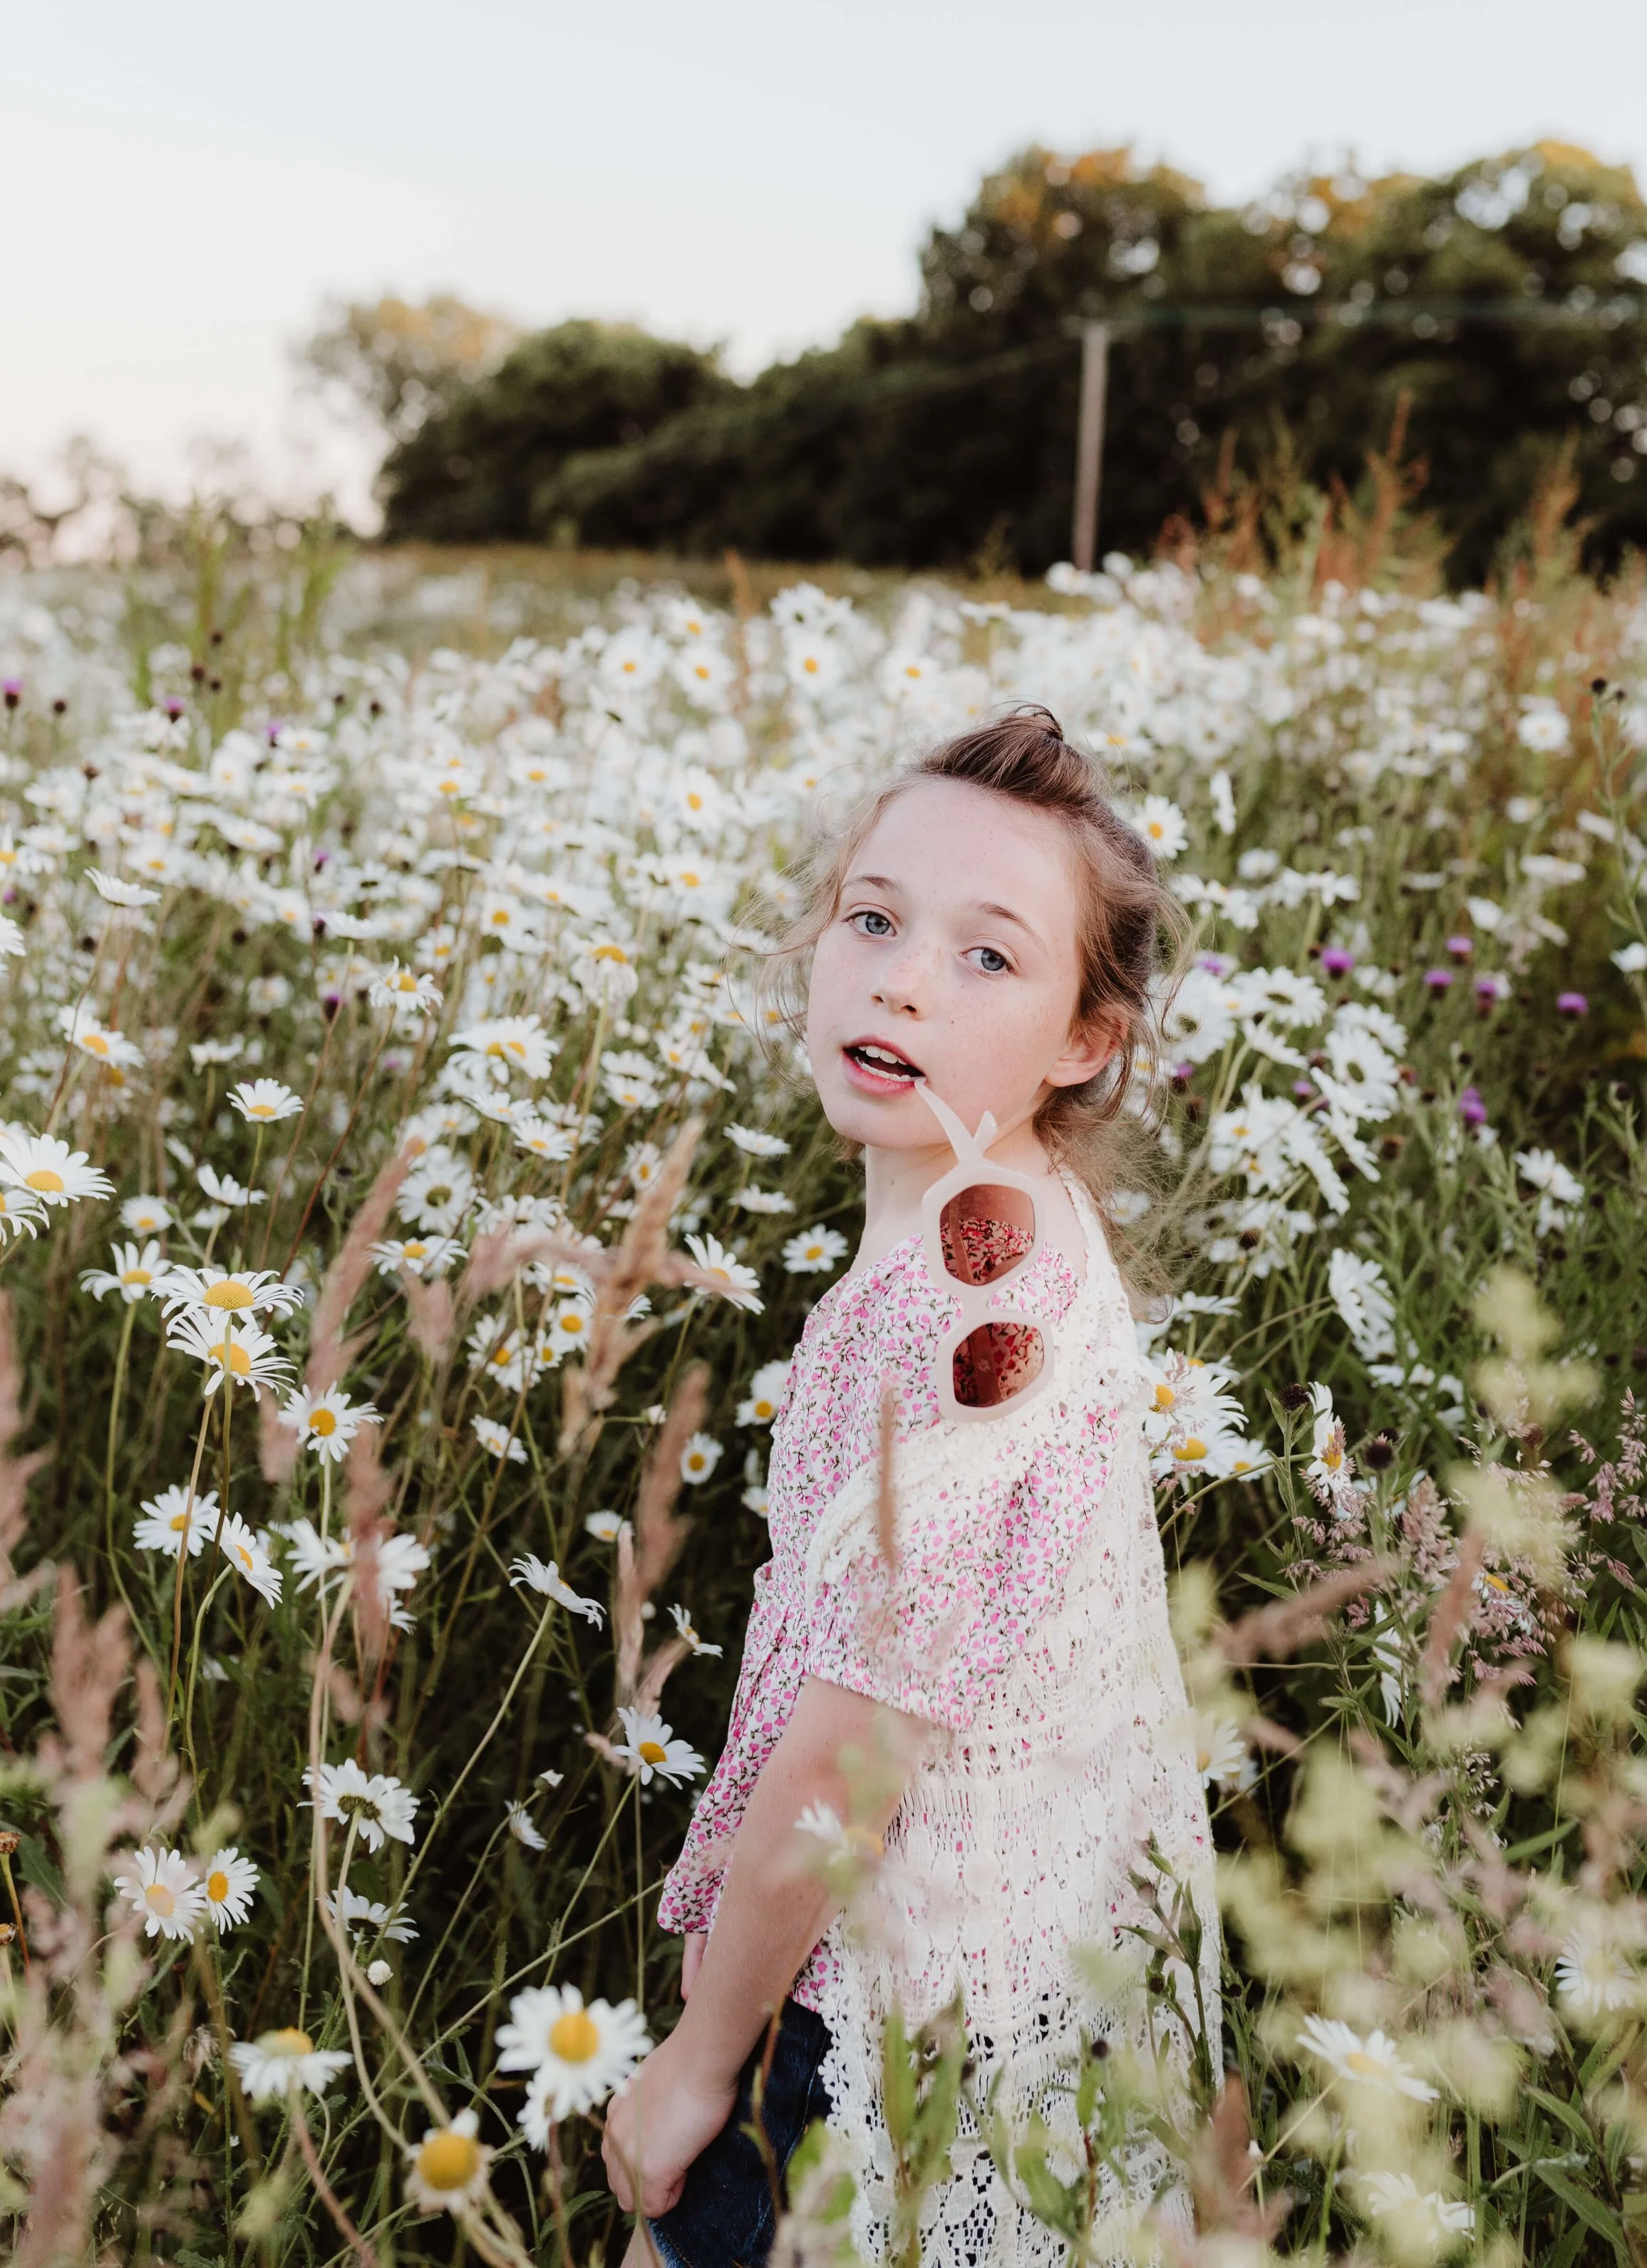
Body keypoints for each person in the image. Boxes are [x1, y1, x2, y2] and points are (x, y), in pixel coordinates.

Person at [602, 707, 1221, 2267]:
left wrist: (696, 2061)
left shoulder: (974, 1323)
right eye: (870, 920)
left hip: (888, 2016)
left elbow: (853, 1747)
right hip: (1004, 1980)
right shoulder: (985, 1224)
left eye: (986, 956)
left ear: (1087, 1039)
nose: (899, 978)